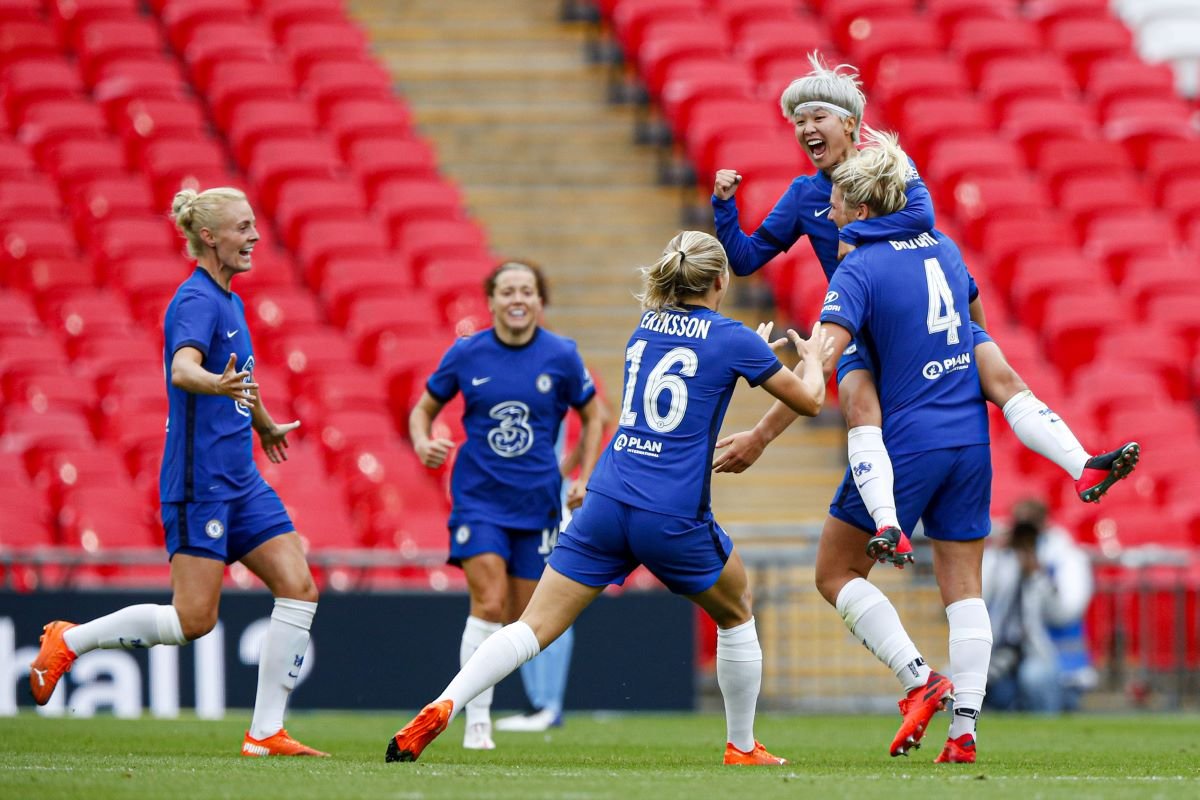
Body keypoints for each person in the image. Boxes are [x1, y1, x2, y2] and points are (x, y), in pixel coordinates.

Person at [385, 230, 830, 766]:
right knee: (736, 609)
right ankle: (741, 746)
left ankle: (445, 703)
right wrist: (813, 359)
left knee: (531, 626)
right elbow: (808, 400)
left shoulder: (645, 328)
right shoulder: (732, 337)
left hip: (605, 501)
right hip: (670, 513)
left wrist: (749, 352)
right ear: (720, 280)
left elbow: (700, 354)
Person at [711, 52, 1138, 562]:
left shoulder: (888, 167)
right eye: (798, 122)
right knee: (862, 405)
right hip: (866, 319)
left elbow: (924, 213)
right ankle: (890, 523)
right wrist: (724, 206)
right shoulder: (805, 195)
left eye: (816, 117)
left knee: (999, 374)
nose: (806, 129)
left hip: (915, 314)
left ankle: (1084, 464)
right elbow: (744, 257)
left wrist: (856, 236)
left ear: (850, 123)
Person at [28, 187, 326, 757]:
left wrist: (261, 422)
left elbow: (240, 376)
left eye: (254, 225)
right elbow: (184, 368)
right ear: (210, 237)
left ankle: (264, 732)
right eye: (243, 228)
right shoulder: (195, 301)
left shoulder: (231, 301)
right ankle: (70, 640)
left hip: (243, 479)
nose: (255, 237)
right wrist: (213, 383)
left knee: (299, 586)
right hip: (201, 484)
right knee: (194, 620)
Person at [791, 130, 994, 764]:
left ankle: (917, 678)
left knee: (836, 573)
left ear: (862, 206)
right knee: (965, 590)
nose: (828, 213)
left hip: (905, 440)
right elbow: (978, 328)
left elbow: (826, 358)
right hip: (970, 435)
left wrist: (794, 369)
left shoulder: (860, 267)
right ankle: (965, 734)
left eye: (839, 203)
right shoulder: (945, 245)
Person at [409, 260, 604, 750]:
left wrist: (585, 474)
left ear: (540, 301)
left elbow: (594, 413)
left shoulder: (561, 354)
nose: (517, 299)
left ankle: (510, 705)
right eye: (507, 291)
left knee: (523, 619)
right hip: (479, 500)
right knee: (489, 603)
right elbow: (424, 409)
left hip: (538, 502)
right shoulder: (467, 353)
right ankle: (476, 720)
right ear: (491, 300)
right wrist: (422, 440)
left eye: (527, 291)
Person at [496, 386, 613, 733]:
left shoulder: (552, 364)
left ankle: (548, 705)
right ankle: (538, 703)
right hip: (515, 504)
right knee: (519, 606)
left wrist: (567, 472)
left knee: (547, 600)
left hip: (545, 502)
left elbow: (601, 415)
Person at [983, 498, 1097, 713]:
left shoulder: (1065, 557)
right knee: (959, 680)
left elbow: (1066, 613)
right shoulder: (1002, 556)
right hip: (1002, 652)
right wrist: (994, 555)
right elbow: (977, 595)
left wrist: (1038, 575)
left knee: (1035, 678)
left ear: (1045, 524)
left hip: (1051, 656)